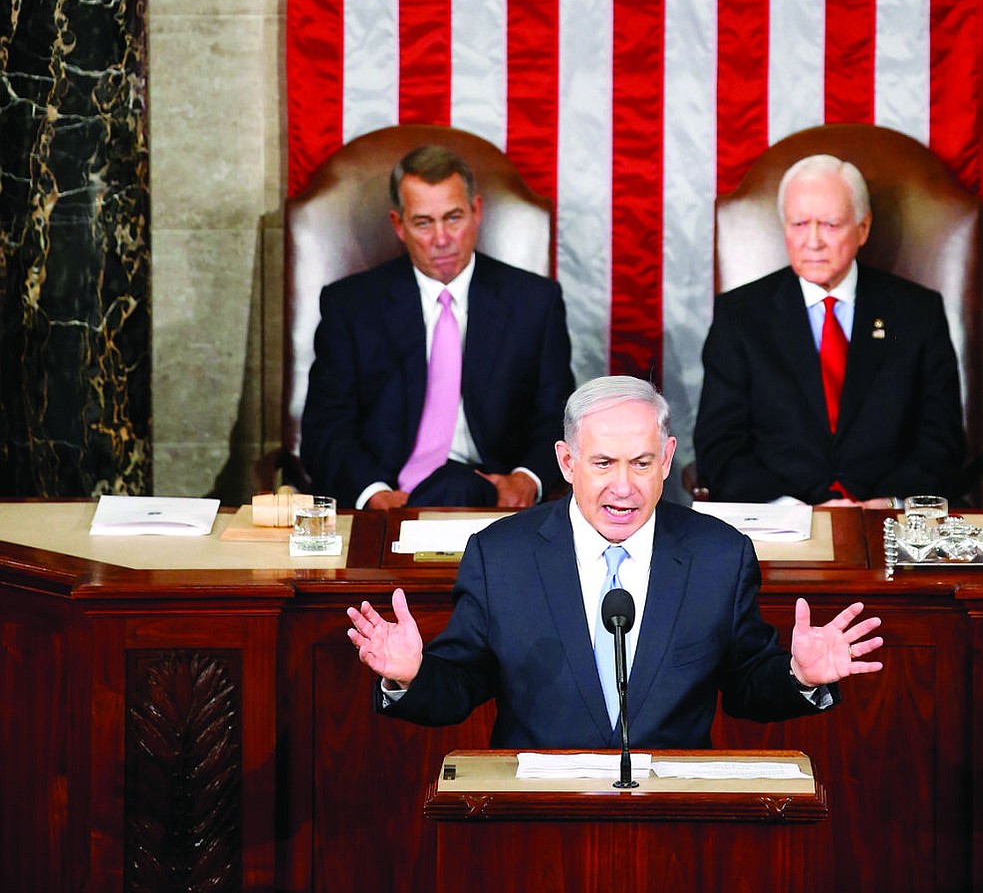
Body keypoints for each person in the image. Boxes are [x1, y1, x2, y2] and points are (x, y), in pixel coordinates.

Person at [346, 377, 882, 749]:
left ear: (668, 458)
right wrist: (412, 676)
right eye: (603, 463)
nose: (622, 487)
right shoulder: (501, 556)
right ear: (567, 461)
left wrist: (799, 675)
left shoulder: (718, 555)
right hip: (537, 817)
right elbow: (461, 683)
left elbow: (746, 684)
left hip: (673, 821)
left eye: (642, 463)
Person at [300, 143, 574, 510]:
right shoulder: (351, 307)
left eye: (453, 217)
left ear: (476, 212)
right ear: (399, 225)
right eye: (423, 223)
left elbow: (557, 418)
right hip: (390, 502)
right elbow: (326, 429)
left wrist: (527, 478)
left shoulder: (535, 302)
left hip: (498, 505)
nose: (441, 239)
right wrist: (373, 494)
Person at [693, 154, 965, 506]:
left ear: (863, 228)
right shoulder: (741, 316)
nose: (813, 241)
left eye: (831, 225)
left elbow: (941, 439)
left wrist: (892, 502)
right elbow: (720, 445)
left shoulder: (917, 312)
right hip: (782, 524)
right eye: (799, 224)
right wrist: (793, 509)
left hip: (888, 519)